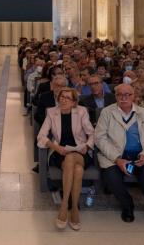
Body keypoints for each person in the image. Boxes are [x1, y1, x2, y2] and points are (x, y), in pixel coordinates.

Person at [94, 83, 144, 231]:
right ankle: (127, 205)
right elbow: (100, 138)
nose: (123, 97)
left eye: (127, 94)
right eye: (120, 94)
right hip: (116, 155)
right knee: (111, 177)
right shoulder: (107, 112)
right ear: (115, 96)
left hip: (140, 155)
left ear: (134, 96)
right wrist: (117, 158)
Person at [37, 88, 95, 231]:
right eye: (61, 97)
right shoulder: (52, 112)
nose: (63, 100)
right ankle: (74, 208)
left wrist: (87, 147)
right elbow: (41, 136)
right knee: (77, 170)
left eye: (67, 98)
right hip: (60, 152)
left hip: (80, 152)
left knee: (72, 158)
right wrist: (55, 147)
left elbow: (92, 134)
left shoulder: (81, 111)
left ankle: (64, 206)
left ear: (74, 102)